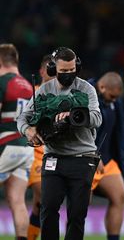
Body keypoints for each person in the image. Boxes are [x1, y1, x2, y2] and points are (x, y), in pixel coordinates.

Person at [17, 47, 102, 240]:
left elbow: (97, 118)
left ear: (77, 67)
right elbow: (23, 117)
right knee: (47, 209)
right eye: (63, 71)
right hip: (54, 157)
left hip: (82, 158)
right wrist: (29, 130)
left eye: (72, 69)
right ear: (53, 69)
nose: (68, 74)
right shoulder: (45, 91)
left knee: (77, 214)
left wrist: (74, 116)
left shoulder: (86, 88)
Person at [89, 71, 124, 240]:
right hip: (87, 160)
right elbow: (82, 130)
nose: (114, 99)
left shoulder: (114, 103)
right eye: (111, 96)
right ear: (101, 87)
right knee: (80, 206)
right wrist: (94, 154)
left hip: (107, 160)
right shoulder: (87, 97)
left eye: (116, 97)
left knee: (119, 196)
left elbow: (121, 127)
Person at [0, 43, 34, 240]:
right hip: (25, 148)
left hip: (6, 145)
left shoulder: (3, 82)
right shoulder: (28, 86)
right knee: (17, 200)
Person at [27, 54, 55, 240]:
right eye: (49, 69)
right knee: (44, 198)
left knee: (40, 203)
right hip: (33, 155)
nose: (52, 73)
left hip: (54, 154)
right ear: (41, 71)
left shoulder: (61, 94)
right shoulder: (32, 93)